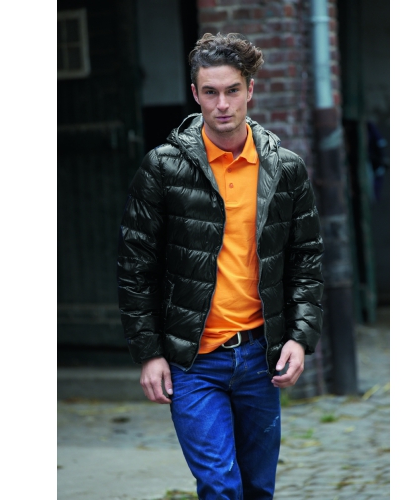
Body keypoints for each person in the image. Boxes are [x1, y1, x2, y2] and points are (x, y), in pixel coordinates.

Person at [117, 32, 324, 500]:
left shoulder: (285, 169)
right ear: (195, 93)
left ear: (251, 89)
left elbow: (305, 259)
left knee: (257, 489)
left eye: (232, 90)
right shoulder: (162, 169)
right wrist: (149, 352)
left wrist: (299, 337)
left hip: (260, 356)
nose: (222, 104)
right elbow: (135, 268)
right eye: (210, 92)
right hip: (193, 362)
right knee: (220, 485)